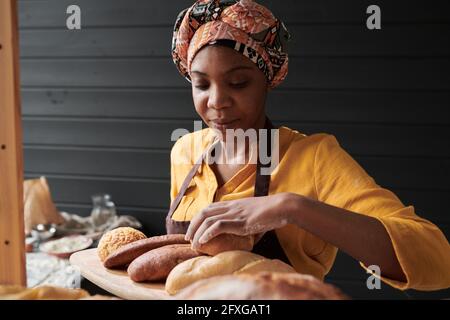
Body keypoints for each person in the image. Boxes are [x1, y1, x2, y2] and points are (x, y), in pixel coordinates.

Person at [166, 0, 450, 291]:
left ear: (267, 80)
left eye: (238, 83)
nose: (216, 102)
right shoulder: (186, 150)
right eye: (201, 84)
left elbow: (439, 260)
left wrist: (291, 207)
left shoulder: (314, 158)